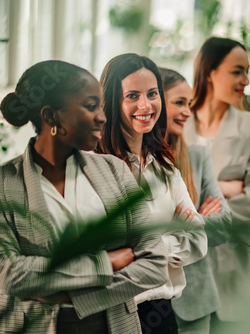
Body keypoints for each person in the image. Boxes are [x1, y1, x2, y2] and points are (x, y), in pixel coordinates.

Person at [0, 60, 169, 334]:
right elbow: (12, 274)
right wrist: (107, 262)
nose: (102, 116)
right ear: (51, 117)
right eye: (91, 106)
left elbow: (155, 263)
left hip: (112, 325)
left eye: (101, 106)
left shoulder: (114, 170)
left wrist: (70, 297)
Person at [97, 53, 208, 334]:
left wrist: (145, 249)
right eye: (132, 95)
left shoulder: (164, 167)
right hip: (112, 313)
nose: (145, 105)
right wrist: (172, 235)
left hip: (161, 311)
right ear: (112, 101)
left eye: (152, 93)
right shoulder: (93, 167)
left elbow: (199, 240)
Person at [184, 37, 250, 329]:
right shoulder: (176, 123)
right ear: (210, 71)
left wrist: (192, 208)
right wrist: (223, 188)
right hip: (185, 275)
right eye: (237, 71)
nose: (246, 81)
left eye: (246, 72)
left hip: (237, 270)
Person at [159, 67, 232, 334]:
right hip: (144, 302)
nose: (187, 112)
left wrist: (183, 222)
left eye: (188, 104)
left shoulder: (198, 157)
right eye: (179, 103)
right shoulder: (132, 162)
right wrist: (196, 218)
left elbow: (224, 224)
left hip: (195, 303)